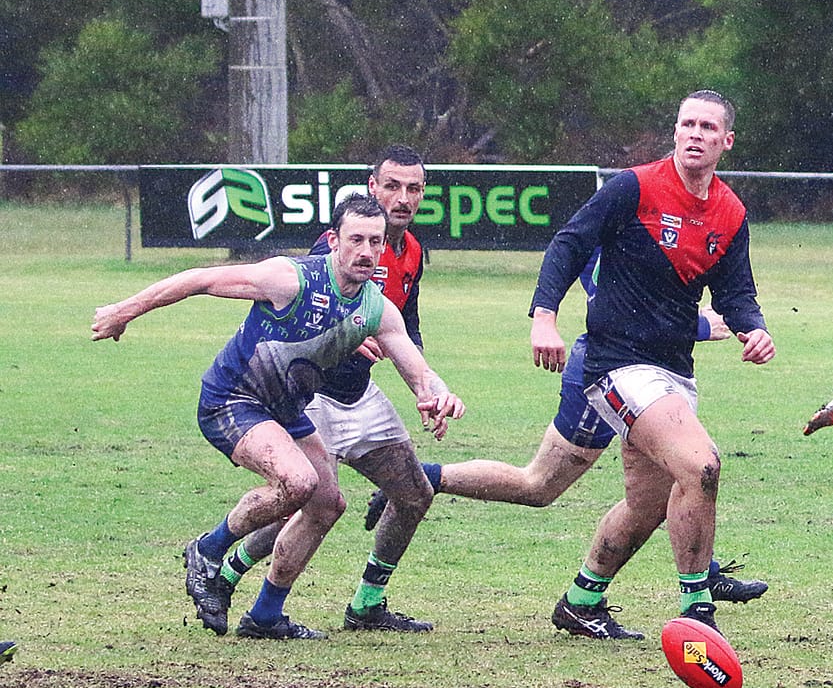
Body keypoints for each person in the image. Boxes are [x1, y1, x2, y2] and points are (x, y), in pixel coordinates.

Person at [92, 194, 464, 639]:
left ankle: (266, 615)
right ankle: (208, 550)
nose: (366, 251)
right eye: (356, 239)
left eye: (376, 242)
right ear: (333, 241)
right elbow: (200, 279)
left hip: (285, 411)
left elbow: (416, 367)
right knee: (298, 482)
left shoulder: (376, 309)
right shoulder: (290, 279)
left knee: (327, 503)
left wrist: (437, 394)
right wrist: (123, 311)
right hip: (232, 399)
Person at [528, 91, 774, 640]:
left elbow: (736, 292)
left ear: (725, 141)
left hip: (672, 370)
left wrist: (753, 327)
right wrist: (544, 318)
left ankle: (580, 602)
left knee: (647, 505)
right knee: (701, 466)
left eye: (707, 127)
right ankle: (698, 609)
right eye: (687, 123)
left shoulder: (730, 211)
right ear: (675, 132)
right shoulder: (635, 187)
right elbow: (568, 244)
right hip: (616, 365)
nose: (694, 134)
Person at [370, 299, 769, 606]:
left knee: (663, 484)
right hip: (608, 365)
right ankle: (422, 477)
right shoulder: (624, 213)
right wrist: (696, 324)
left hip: (649, 370)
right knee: (540, 485)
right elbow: (610, 301)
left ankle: (593, 599)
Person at [202, 146, 447, 632]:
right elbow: (314, 319)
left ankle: (366, 605)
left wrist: (425, 382)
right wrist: (354, 337)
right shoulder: (333, 251)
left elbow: (405, 327)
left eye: (414, 188)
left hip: (362, 397)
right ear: (371, 189)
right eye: (392, 186)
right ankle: (231, 578)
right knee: (312, 500)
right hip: (315, 398)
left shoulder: (410, 251)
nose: (403, 198)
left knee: (414, 494)